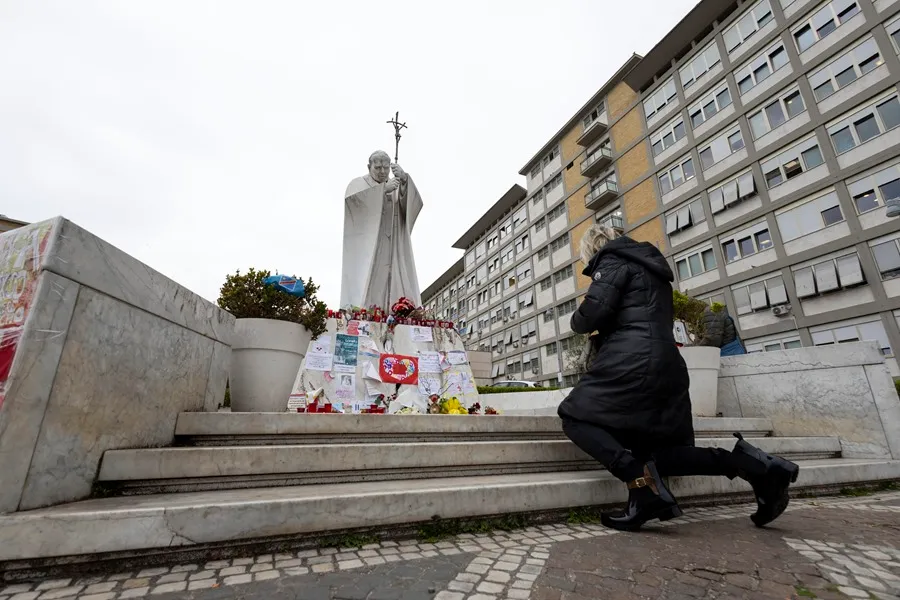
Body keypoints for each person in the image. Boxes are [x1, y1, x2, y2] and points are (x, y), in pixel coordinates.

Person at [557, 224, 799, 532]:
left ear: (592, 248)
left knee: (573, 416)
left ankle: (641, 484)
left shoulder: (612, 262)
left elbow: (589, 316)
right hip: (667, 363)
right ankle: (760, 468)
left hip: (630, 361)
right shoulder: (653, 270)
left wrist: (576, 318)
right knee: (662, 456)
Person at [340, 150, 424, 310]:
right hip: (371, 245)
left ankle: (397, 309)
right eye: (378, 168)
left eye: (386, 167)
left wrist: (405, 179)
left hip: (393, 244)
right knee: (371, 279)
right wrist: (383, 190)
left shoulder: (395, 183)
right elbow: (354, 205)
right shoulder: (359, 184)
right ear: (369, 167)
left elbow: (413, 205)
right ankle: (367, 310)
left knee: (395, 278)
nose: (382, 171)